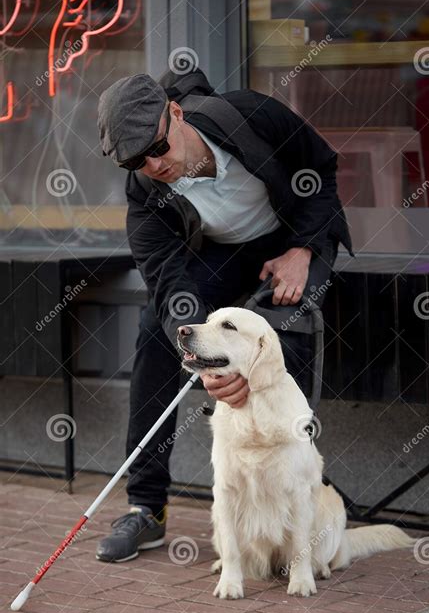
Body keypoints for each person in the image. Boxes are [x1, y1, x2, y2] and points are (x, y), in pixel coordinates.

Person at [95, 68, 353, 563]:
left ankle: (294, 492)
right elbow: (171, 288)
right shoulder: (144, 194)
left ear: (175, 113)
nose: (154, 165)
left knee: (282, 330)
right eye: (137, 162)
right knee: (156, 331)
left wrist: (304, 248)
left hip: (290, 241)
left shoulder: (251, 115)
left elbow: (320, 169)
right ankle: (146, 507)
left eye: (158, 148)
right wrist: (205, 360)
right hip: (218, 257)